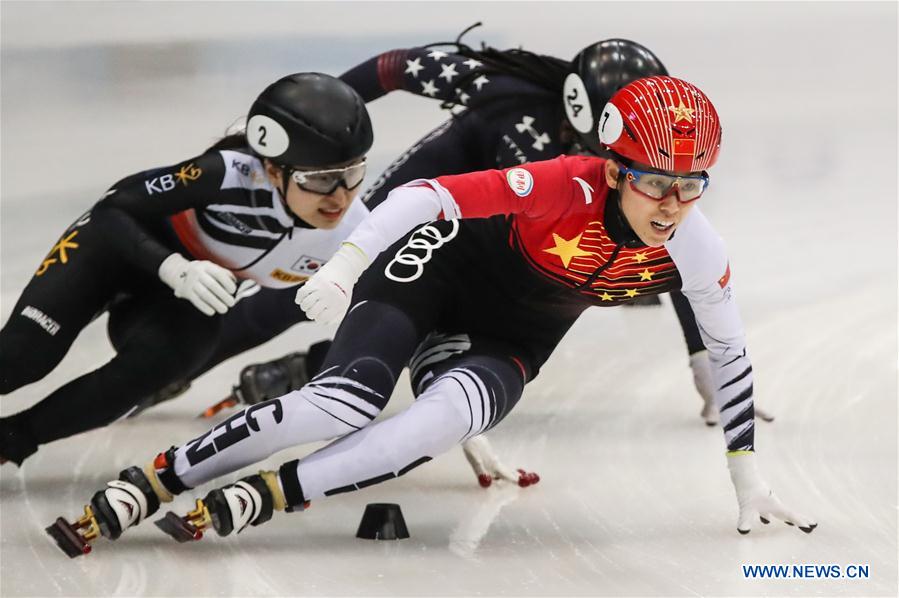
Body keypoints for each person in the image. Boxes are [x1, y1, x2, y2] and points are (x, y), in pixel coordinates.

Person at [48, 76, 814, 558]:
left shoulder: (695, 248)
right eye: (656, 184)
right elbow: (426, 197)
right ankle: (158, 478)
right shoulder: (563, 183)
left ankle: (267, 494)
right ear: (615, 169)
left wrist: (746, 481)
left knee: (434, 425)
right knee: (341, 400)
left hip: (514, 335)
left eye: (692, 185)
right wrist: (347, 267)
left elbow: (729, 353)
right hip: (433, 275)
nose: (673, 206)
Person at [206, 35, 771, 427]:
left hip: (499, 239)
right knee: (336, 268)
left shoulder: (621, 167)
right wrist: (301, 116)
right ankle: (200, 353)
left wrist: (703, 359)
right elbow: (395, 67)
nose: (624, 163)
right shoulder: (508, 95)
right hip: (442, 187)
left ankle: (311, 363)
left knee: (448, 304)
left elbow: (671, 250)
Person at [0, 73, 374, 466]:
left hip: (174, 297)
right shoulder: (225, 174)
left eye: (352, 174)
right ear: (274, 170)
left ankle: (9, 441)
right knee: (23, 359)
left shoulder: (354, 233)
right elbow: (112, 209)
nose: (340, 197)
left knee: (177, 355)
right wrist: (174, 268)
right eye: (321, 180)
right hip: (113, 253)